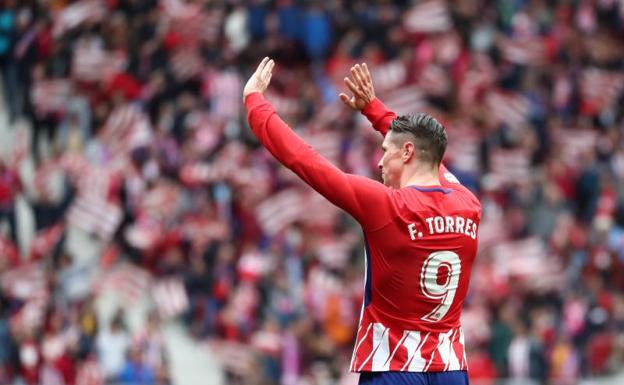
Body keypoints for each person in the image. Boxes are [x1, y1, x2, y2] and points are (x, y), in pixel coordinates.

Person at [244, 58, 481, 384]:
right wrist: (372, 107)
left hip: (395, 365)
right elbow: (430, 159)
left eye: (385, 151)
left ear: (407, 153)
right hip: (451, 368)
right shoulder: (468, 204)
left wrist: (255, 104)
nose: (380, 161)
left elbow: (305, 161)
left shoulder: (386, 206)